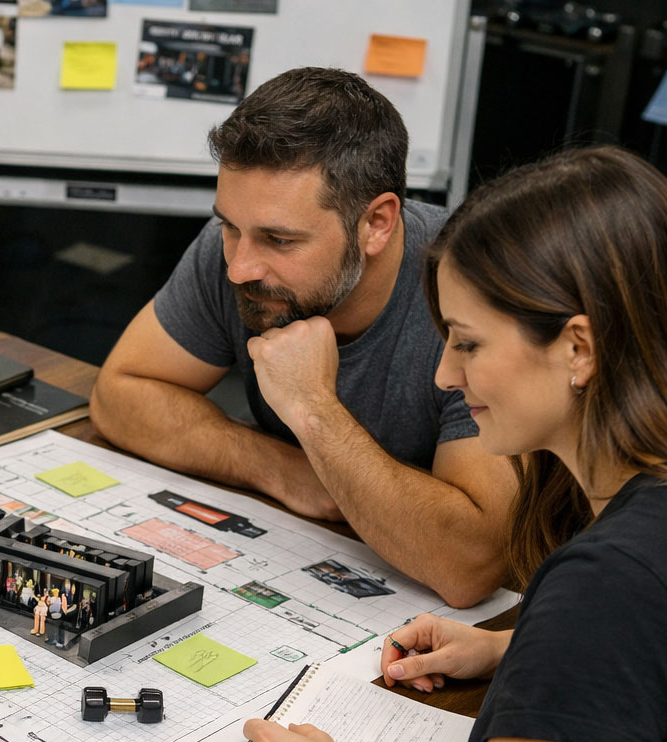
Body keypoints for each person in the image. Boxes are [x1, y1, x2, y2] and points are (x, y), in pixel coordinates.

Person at [240, 146, 667, 742]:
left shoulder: (608, 585)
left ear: (578, 347)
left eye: (468, 343)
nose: (445, 374)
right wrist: (520, 648)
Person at [90, 68, 514, 608]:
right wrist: (285, 469)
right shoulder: (240, 247)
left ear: (376, 223)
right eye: (229, 226)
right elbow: (119, 395)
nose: (240, 267)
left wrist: (313, 411)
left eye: (280, 240)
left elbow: (470, 563)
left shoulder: (478, 296)